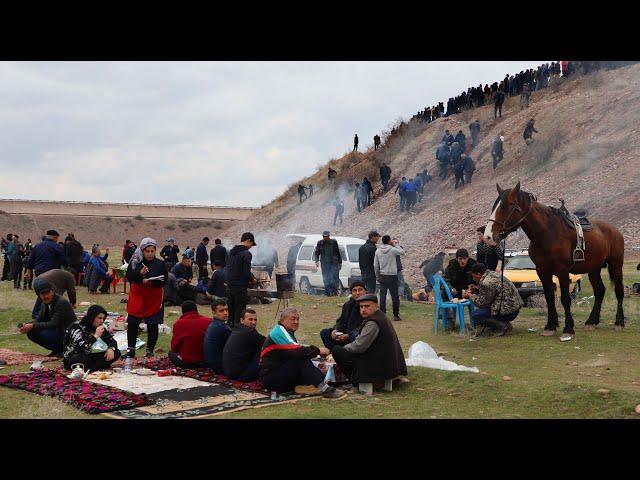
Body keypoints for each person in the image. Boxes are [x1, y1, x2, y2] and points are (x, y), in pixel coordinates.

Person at [259, 307, 344, 398]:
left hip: (278, 373)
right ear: (283, 320)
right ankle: (323, 388)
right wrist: (318, 350)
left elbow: (296, 350)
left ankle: (315, 385)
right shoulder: (279, 331)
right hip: (271, 378)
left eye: (297, 319)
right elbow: (298, 351)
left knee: (302, 358)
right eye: (293, 319)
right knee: (300, 358)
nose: (296, 322)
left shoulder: (287, 332)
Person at [332, 294, 407, 386]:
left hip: (380, 366)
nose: (363, 309)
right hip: (386, 363)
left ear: (376, 306)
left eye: (367, 306)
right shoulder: (380, 316)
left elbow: (359, 347)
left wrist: (344, 348)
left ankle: (357, 382)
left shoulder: (372, 322)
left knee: (337, 351)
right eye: (361, 307)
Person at [125, 237, 167, 358]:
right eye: (147, 251)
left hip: (153, 297)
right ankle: (131, 350)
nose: (149, 254)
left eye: (152, 251)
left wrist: (152, 283)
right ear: (142, 250)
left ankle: (149, 350)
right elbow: (129, 276)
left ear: (155, 251)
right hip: (137, 296)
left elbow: (164, 281)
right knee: (133, 322)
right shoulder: (136, 262)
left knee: (152, 323)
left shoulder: (160, 264)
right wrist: (140, 273)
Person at [19, 278, 76, 356]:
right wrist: (26, 325)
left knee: (44, 333)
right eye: (43, 294)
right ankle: (57, 350)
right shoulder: (45, 303)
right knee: (31, 332)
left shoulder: (61, 303)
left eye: (47, 293)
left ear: (52, 291)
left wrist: (32, 325)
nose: (46, 296)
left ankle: (63, 350)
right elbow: (39, 319)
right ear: (39, 295)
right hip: (58, 331)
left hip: (68, 334)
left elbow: (53, 324)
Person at [463, 263, 523, 336]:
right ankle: (503, 324)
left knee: (477, 315)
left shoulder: (486, 283)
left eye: (473, 276)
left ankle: (502, 326)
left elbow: (482, 303)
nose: (473, 279)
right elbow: (494, 291)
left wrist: (469, 296)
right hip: (514, 307)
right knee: (484, 310)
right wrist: (477, 289)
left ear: (478, 274)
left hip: (508, 311)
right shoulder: (493, 274)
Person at [62, 304, 121, 371]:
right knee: (79, 358)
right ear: (91, 317)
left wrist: (111, 348)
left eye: (103, 318)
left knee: (116, 352)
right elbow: (79, 348)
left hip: (89, 356)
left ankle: (91, 368)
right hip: (73, 357)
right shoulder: (76, 327)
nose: (102, 321)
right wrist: (95, 336)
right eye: (99, 318)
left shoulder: (99, 326)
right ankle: (95, 367)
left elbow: (112, 341)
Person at [320, 280, 366, 350]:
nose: (357, 293)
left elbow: (364, 326)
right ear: (351, 293)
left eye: (360, 290)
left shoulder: (367, 306)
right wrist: (336, 329)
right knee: (324, 333)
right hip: (344, 335)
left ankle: (342, 353)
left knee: (355, 335)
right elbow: (341, 320)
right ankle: (335, 352)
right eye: (354, 290)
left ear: (365, 292)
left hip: (357, 337)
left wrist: (348, 336)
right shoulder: (347, 305)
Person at [222, 308, 266, 381]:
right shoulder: (249, 332)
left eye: (255, 320)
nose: (253, 322)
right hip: (242, 375)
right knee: (266, 351)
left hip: (229, 372)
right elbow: (268, 342)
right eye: (250, 319)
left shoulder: (237, 329)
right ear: (242, 320)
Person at [168, 300, 211, 368]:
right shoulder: (208, 321)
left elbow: (174, 347)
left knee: (171, 353)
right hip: (207, 361)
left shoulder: (178, 324)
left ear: (183, 311)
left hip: (188, 362)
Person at [226, 232, 257, 327]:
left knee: (231, 309)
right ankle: (238, 329)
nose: (251, 247)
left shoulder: (231, 252)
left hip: (230, 285)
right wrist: (252, 279)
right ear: (248, 241)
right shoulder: (246, 254)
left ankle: (230, 327)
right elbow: (245, 272)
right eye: (251, 244)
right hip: (240, 286)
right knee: (240, 310)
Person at [374, 235, 404, 321]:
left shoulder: (378, 251)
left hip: (382, 275)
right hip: (392, 275)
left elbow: (375, 265)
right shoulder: (392, 250)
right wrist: (396, 244)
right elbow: (402, 252)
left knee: (382, 296)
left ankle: (383, 314)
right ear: (389, 241)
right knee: (394, 296)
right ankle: (395, 315)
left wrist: (377, 275)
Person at [203, 298, 232, 373]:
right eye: (221, 311)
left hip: (212, 363)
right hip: (220, 366)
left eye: (226, 310)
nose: (225, 313)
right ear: (213, 312)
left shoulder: (214, 324)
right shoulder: (221, 327)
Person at [313, 231, 342, 296]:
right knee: (326, 278)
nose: (324, 238)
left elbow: (338, 252)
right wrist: (316, 261)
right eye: (324, 236)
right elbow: (317, 253)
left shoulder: (333, 242)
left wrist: (340, 262)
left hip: (334, 264)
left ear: (329, 236)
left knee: (335, 278)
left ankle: (335, 292)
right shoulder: (320, 243)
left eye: (326, 236)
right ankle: (328, 293)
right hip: (325, 264)